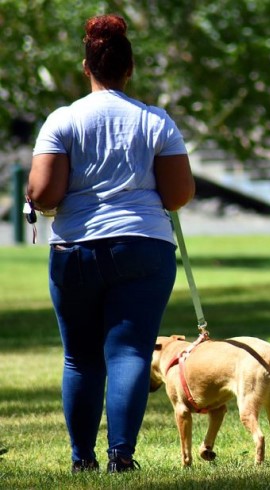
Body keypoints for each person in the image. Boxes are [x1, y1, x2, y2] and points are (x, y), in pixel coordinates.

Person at [27, 14, 195, 473]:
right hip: (144, 247)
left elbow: (44, 196)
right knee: (131, 352)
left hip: (76, 249)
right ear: (130, 68)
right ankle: (123, 456)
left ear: (87, 67)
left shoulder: (62, 120)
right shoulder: (157, 121)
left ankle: (83, 460)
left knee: (80, 357)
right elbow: (179, 195)